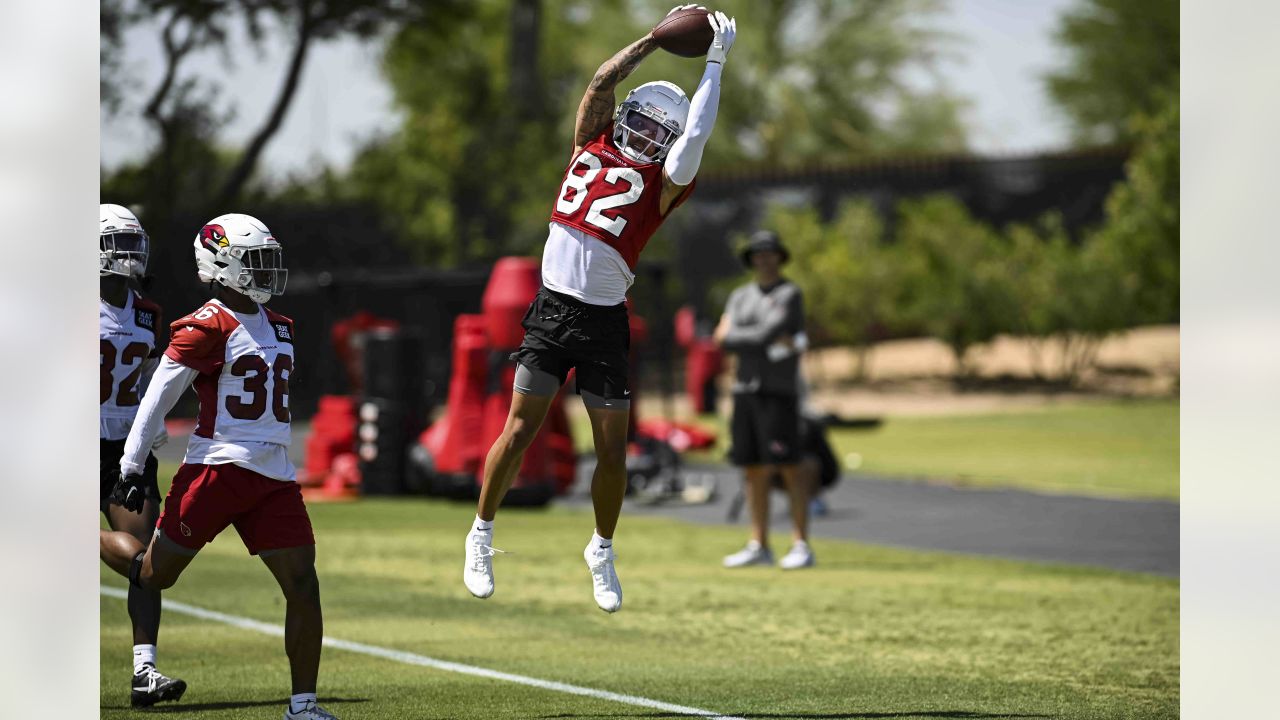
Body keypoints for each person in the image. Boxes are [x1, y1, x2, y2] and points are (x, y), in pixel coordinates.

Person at [463, 5, 738, 613]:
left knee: (612, 449)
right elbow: (599, 85)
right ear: (627, 116)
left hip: (604, 321)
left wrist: (714, 63)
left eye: (655, 133)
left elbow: (693, 139)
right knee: (517, 431)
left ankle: (602, 549)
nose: (643, 136)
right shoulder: (590, 140)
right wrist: (652, 40)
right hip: (553, 309)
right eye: (638, 121)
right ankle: (480, 533)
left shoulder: (666, 183)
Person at [99, 214, 337, 720]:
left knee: (302, 582)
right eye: (255, 261)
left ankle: (303, 705)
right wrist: (132, 463)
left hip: (274, 477)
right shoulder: (205, 324)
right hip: (216, 471)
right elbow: (156, 399)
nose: (267, 271)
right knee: (153, 575)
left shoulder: (281, 326)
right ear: (220, 264)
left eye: (268, 260)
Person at [99, 203, 188, 708]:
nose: (130, 257)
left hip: (125, 447)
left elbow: (156, 384)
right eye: (118, 246)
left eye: (135, 246)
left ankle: (144, 671)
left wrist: (149, 431)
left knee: (144, 558)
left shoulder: (149, 311)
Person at [714, 230, 815, 569]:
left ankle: (800, 543)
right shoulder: (740, 295)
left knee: (788, 466)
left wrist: (743, 336)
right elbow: (722, 339)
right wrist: (748, 338)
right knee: (752, 467)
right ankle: (759, 543)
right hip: (744, 389)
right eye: (758, 253)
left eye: (769, 253)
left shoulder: (789, 294)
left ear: (779, 257)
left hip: (778, 389)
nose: (764, 259)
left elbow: (764, 334)